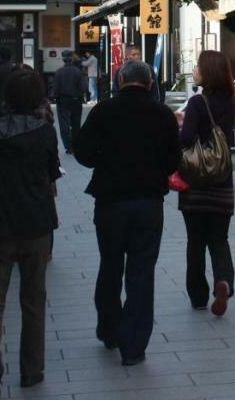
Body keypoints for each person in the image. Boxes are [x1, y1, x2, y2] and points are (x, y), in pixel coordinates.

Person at [73, 60, 179, 366]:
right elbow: (174, 160)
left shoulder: (103, 111)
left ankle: (109, 327)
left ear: (120, 82)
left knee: (110, 264)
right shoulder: (162, 115)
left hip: (110, 202)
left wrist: (105, 161)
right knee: (141, 273)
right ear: (149, 84)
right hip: (148, 203)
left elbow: (82, 152)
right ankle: (133, 346)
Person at [0, 65, 61, 396]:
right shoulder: (44, 132)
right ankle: (31, 368)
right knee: (33, 298)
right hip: (36, 224)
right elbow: (52, 171)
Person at [177, 50, 235, 316]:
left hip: (196, 184)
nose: (194, 70)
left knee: (195, 242)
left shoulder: (198, 103)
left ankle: (198, 296)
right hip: (222, 182)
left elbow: (187, 139)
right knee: (219, 239)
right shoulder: (231, 102)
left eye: (198, 67)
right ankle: (223, 281)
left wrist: (179, 126)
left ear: (207, 71)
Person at [52, 50, 86, 154]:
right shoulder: (78, 72)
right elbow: (83, 87)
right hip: (76, 100)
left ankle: (68, 146)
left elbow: (56, 88)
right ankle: (76, 145)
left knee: (64, 123)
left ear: (63, 59)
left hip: (63, 100)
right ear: (71, 59)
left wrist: (56, 97)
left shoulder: (58, 72)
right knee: (76, 123)